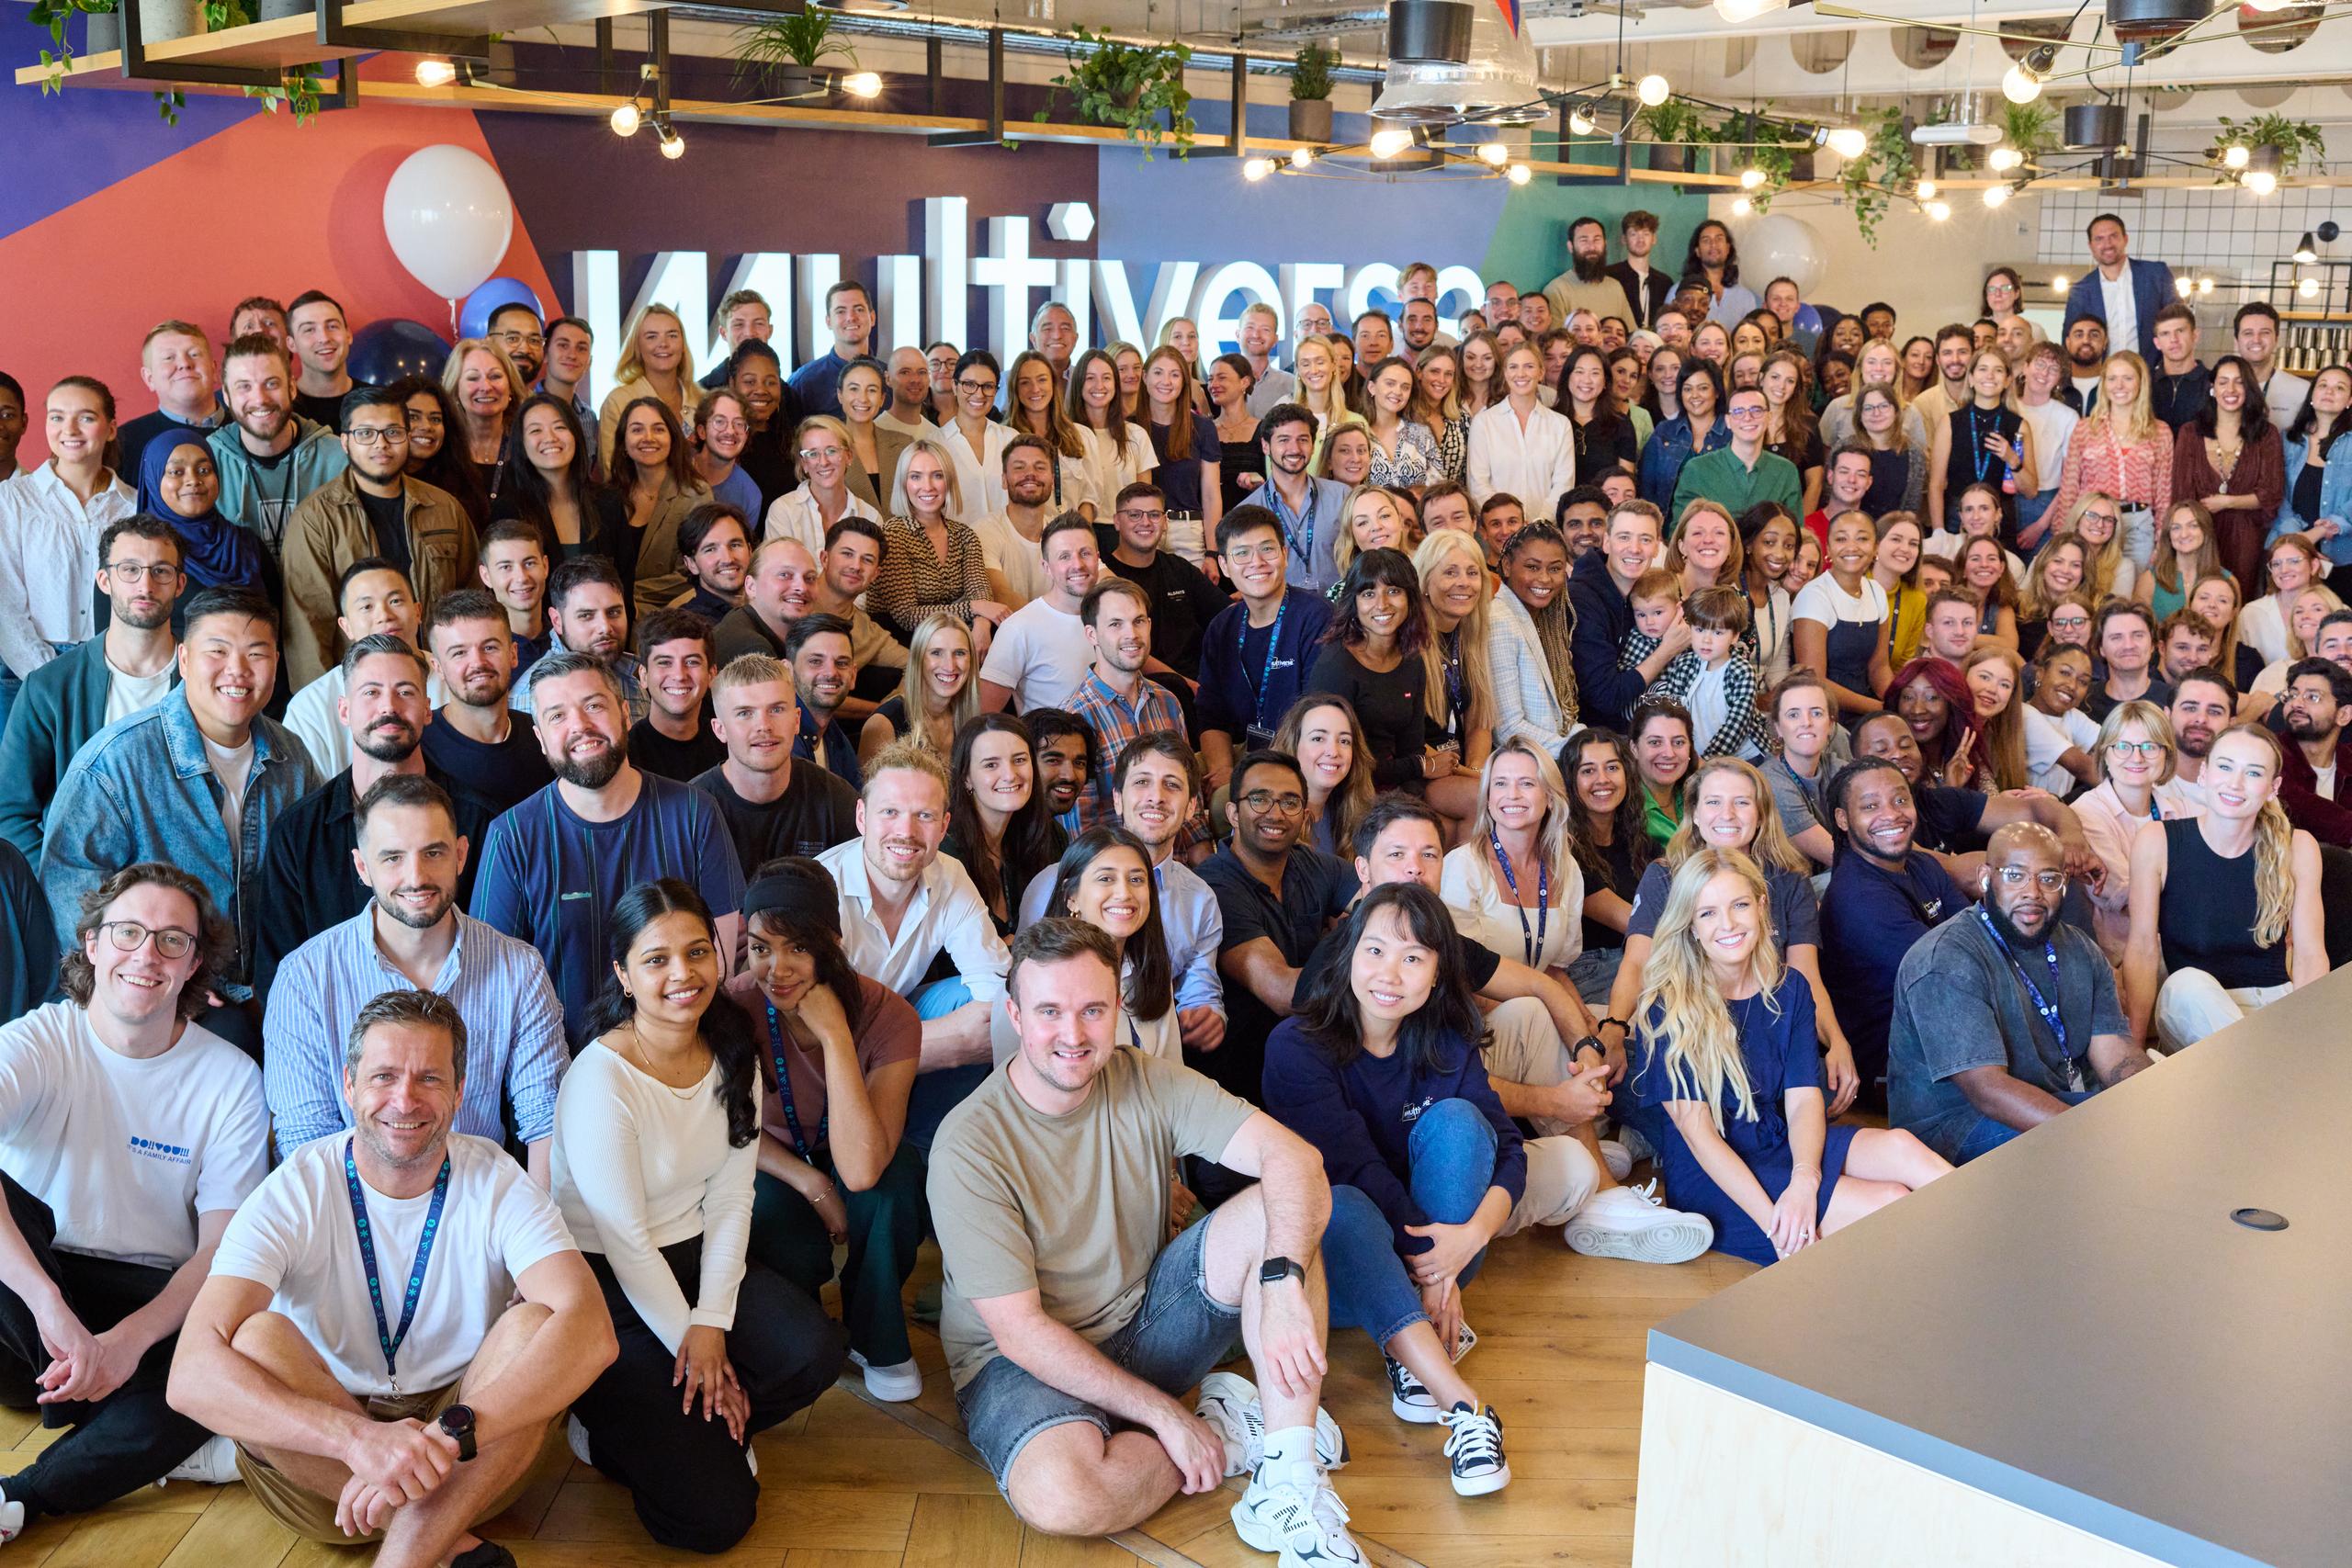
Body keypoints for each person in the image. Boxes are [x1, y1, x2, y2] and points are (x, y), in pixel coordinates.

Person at [168, 988, 616, 1568]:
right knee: (254, 1340)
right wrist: (359, 1442)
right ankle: (442, 1539)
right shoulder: (295, 1186)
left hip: (470, 1452)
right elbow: (189, 1375)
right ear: (349, 1085)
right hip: (328, 1471)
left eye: (429, 1078)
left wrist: (451, 1434)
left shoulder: (496, 1179)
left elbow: (592, 1332)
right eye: (383, 1076)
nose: (404, 1099)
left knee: (536, 1325)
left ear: (458, 1093)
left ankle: (404, 1554)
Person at [552, 880, 843, 1551]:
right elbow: (625, 1242)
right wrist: (697, 1342)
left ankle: (707, 1426)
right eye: (656, 959)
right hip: (610, 1288)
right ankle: (604, 1433)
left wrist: (710, 1323)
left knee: (813, 1351)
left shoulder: (730, 1048)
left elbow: (732, 1198)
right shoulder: (602, 1076)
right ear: (623, 974)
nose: (682, 974)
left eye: (697, 952)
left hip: (694, 1255)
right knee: (714, 1522)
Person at [0, 864, 264, 1538]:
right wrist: (47, 1305)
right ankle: (125, 1426)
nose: (146, 954)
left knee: (232, 1363)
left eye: (172, 940)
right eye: (128, 932)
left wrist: (127, 1341)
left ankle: (24, 1493)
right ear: (91, 943)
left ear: (195, 963)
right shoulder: (39, 1038)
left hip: (146, 1303)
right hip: (25, 1305)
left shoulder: (230, 1078)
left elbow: (220, 1250)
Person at [1629, 849, 1949, 1266]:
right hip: (1715, 1176)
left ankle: (2001, 1243)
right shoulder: (1667, 1006)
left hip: (1777, 1138)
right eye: (1707, 913)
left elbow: (1802, 1100)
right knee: (1888, 1201)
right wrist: (1777, 1225)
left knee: (1903, 1147)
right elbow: (1700, 1138)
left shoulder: (1789, 988)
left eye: (1739, 905)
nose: (1727, 924)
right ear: (1690, 926)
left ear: (1762, 906)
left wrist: (1804, 1180)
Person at [265, 769, 565, 1180]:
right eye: (393, 858)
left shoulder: (519, 968)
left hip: (478, 1208)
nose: (416, 877)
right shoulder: (305, 977)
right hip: (350, 1212)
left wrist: (535, 1236)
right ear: (362, 866)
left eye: (433, 853)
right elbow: (307, 1144)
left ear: (461, 855)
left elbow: (545, 1121)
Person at [40, 588, 317, 995]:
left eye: (256, 654)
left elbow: (307, 876)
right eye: (217, 652)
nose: (237, 670)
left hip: (268, 988)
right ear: (184, 660)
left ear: (277, 663)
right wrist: (163, 976)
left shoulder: (291, 757)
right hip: (155, 989)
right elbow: (71, 891)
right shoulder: (116, 761)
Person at [469, 652, 744, 1047]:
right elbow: (496, 985)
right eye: (557, 716)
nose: (580, 726)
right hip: (560, 1070)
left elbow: (719, 967)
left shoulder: (694, 813)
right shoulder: (512, 837)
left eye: (594, 706)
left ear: (625, 714)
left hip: (684, 1055)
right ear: (541, 739)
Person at [251, 635, 499, 996]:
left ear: (428, 709)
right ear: (344, 710)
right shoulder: (296, 834)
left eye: (405, 692)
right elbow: (277, 978)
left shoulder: (480, 821)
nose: (389, 707)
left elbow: (496, 961)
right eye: (371, 693)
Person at [1888, 823, 2146, 1164]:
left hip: (2052, 1101)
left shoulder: (2080, 949)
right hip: (1953, 1127)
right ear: (1985, 879)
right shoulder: (1946, 958)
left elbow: (2114, 1055)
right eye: (2015, 876)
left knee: (2149, 1119)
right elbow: (1986, 1090)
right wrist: (2085, 1133)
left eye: (2049, 878)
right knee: (2112, 1145)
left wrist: (2153, 1104)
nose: (2033, 892)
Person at [1015, 731, 1229, 1056]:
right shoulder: (1051, 883)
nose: (1156, 797)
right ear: (1117, 799)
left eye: (1172, 785)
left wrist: (1206, 1014)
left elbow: (1200, 990)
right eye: (1142, 782)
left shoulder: (1200, 899)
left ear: (1192, 807)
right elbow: (1024, 986)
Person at [2123, 724, 2327, 1051]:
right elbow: (2142, 949)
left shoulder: (2298, 846)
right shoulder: (2157, 840)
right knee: (2186, 984)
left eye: (2253, 773)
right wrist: (2131, 1051)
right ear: (2204, 774)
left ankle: (2267, 1070)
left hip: (2274, 1007)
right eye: (2225, 766)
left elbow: (2309, 954)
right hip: (2190, 1011)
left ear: (2273, 787)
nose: (2235, 783)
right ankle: (2273, 1073)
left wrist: (2310, 1036)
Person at [0, 518, 182, 862]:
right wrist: (65, 884)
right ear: (104, 580)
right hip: (83, 894)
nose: (145, 585)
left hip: (186, 888)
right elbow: (9, 812)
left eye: (161, 571)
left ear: (180, 584)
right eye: (129, 570)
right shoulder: (49, 687)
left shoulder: (206, 680)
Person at [278, 386, 479, 691]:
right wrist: (331, 706)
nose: (381, 444)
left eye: (392, 432)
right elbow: (307, 627)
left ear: (408, 437)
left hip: (440, 684)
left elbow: (472, 600)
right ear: (344, 442)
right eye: (365, 434)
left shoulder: (444, 508)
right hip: (360, 691)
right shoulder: (315, 520)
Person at [1199, 749, 1361, 1104]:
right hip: (1244, 1077)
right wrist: (1356, 934)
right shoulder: (1214, 885)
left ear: (1305, 817)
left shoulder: (1312, 864)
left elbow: (1389, 909)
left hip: (1319, 1054)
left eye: (1289, 802)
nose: (1275, 813)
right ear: (1233, 813)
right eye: (1259, 799)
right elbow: (1285, 994)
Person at [1815, 757, 1969, 1108]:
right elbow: (1953, 973)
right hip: (1898, 1076)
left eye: (1900, 800)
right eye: (1870, 806)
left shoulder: (1922, 864)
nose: (1891, 814)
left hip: (1948, 1041)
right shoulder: (1858, 898)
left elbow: (1979, 938)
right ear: (1842, 820)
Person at [0, 378, 137, 696]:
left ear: (111, 428)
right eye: (57, 417)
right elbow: (5, 605)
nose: (70, 429)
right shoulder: (12, 499)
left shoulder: (134, 506)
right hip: (24, 673)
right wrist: (48, 675)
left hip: (112, 667)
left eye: (86, 418)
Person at [693, 651, 862, 873]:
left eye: (776, 709)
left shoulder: (836, 799)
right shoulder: (692, 809)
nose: (764, 725)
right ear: (720, 729)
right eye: (745, 713)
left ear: (797, 720)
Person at [419, 588, 553, 814]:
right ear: (438, 667)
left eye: (489, 647)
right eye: (459, 653)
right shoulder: (420, 751)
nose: (477, 663)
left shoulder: (543, 735)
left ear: (513, 654)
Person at [2047, 351, 2173, 573]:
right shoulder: (2086, 428)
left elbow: (2163, 494)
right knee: (2086, 590)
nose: (2119, 385)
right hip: (2092, 524)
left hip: (2138, 526)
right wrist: (2061, 534)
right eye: (2112, 379)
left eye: (2128, 378)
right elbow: (2069, 487)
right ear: (2103, 384)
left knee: (2129, 598)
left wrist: (2161, 540)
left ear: (2141, 382)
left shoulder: (2160, 431)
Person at [941, 714, 1068, 935]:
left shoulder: (1050, 836)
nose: (1010, 775)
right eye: (991, 765)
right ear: (966, 778)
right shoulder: (945, 847)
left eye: (1019, 760)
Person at [874, 440, 1007, 646]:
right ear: (903, 483)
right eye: (916, 477)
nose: (927, 486)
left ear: (949, 482)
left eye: (937, 476)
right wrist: (975, 608)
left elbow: (980, 589)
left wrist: (982, 624)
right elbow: (907, 616)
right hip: (903, 640)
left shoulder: (964, 535)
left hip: (952, 635)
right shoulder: (893, 534)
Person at [2172, 355, 2284, 591]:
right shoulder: (2190, 433)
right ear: (2212, 388)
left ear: (2249, 388)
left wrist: (2226, 502)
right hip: (2198, 536)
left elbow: (2271, 494)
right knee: (2197, 599)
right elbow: (2181, 495)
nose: (2230, 389)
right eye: (2223, 382)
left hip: (2246, 538)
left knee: (2238, 600)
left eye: (2239, 382)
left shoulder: (2266, 434)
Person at [979, 513, 1102, 713]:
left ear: (1097, 559)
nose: (1077, 564)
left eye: (1085, 553)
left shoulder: (1112, 618)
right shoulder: (1019, 628)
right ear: (1046, 567)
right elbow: (983, 717)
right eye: (1064, 556)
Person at [131, 434, 267, 604]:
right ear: (153, 478)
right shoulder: (132, 552)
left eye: (204, 470)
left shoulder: (247, 544)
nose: (193, 481)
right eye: (176, 472)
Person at [610, 396, 709, 620]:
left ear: (673, 439)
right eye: (637, 430)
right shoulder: (609, 495)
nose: (648, 438)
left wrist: (627, 595)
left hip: (673, 612)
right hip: (614, 612)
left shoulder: (695, 495)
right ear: (623, 443)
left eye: (658, 429)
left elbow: (690, 572)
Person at [1641, 586, 1769, 760]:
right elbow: (1672, 710)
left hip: (1745, 757)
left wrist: (1708, 760)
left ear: (1734, 637)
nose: (1706, 640)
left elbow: (1736, 726)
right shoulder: (1685, 664)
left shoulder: (1741, 672)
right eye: (1700, 630)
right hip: (1697, 756)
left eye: (1717, 632)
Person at [494, 394, 621, 567]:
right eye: (536, 430)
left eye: (560, 427)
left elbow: (624, 580)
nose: (550, 438)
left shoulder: (609, 503)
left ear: (576, 436)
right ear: (522, 445)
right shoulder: (508, 511)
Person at [1791, 510, 1892, 717]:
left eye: (1862, 538)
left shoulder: (1877, 591)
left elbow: (1879, 667)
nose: (1852, 546)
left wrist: (1897, 701)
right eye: (1841, 539)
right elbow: (1813, 680)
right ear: (1828, 548)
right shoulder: (1814, 595)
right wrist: (1880, 709)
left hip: (1868, 704)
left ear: (1875, 548)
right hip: (1821, 711)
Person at [1240, 403, 1350, 595]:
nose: (1294, 448)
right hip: (1280, 616)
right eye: (1284, 440)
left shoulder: (1342, 497)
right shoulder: (1247, 511)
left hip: (1338, 615)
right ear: (1266, 446)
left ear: (1313, 446)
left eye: (1303, 439)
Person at [1669, 386, 1801, 524]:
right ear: (1728, 421)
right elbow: (1680, 530)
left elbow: (1794, 533)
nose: (1748, 418)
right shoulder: (1697, 470)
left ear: (1769, 417)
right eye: (1738, 412)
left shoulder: (1786, 471)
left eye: (1756, 410)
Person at [861, 611, 977, 766]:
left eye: (960, 653)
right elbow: (868, 790)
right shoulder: (884, 724)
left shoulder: (967, 718)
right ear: (918, 659)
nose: (950, 665)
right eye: (936, 653)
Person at [2061, 214, 2176, 363]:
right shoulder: (2080, 290)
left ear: (2125, 239)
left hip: (2153, 374)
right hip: (2104, 378)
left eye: (2113, 236)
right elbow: (2069, 341)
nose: (2107, 244)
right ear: (2091, 246)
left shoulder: (2156, 274)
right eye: (2099, 239)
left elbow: (2178, 319)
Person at [625, 607, 722, 782]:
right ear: (644, 676)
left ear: (711, 675)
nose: (679, 675)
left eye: (692, 662)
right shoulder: (625, 755)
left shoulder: (728, 743)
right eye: (664, 663)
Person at [597, 302, 702, 465]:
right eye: (652, 336)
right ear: (637, 347)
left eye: (672, 335)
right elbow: (613, 473)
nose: (663, 344)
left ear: (683, 345)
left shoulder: (703, 400)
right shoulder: (618, 402)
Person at [1637, 360, 1729, 513]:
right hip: (1669, 529)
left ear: (1717, 392)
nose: (1694, 395)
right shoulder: (1664, 432)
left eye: (1703, 388)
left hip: (1719, 527)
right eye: (1687, 389)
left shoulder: (1732, 433)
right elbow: (1647, 489)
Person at [714, 536, 811, 666]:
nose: (802, 587)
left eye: (810, 578)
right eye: (784, 575)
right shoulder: (752, 649)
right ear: (751, 586)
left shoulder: (743, 620)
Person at [788, 279, 877, 420]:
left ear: (872, 318)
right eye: (841, 311)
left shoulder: (891, 380)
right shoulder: (803, 383)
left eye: (859, 309)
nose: (851, 317)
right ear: (828, 321)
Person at [2084, 600, 2170, 723]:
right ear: (2101, 648)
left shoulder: (2172, 701)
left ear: (2152, 644)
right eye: (2116, 637)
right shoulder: (2085, 702)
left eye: (2138, 635)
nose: (2128, 645)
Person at [2235, 301, 2311, 433]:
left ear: (2276, 339)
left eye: (2265, 333)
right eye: (2248, 333)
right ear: (2237, 340)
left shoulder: (2303, 390)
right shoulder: (2220, 388)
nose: (2256, 340)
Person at [285, 292, 355, 432]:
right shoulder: (282, 410)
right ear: (292, 344)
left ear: (348, 335)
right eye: (309, 330)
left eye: (332, 326)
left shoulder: (379, 402)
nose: (324, 338)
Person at [674, 501, 751, 624]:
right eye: (710, 549)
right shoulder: (688, 627)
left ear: (750, 550)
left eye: (735, 545)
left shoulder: (769, 608)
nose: (728, 559)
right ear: (691, 564)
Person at [1606, 211, 1673, 332]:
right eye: (1633, 234)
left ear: (1654, 239)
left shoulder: (1665, 282)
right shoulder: (1610, 276)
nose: (1640, 239)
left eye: (1646, 234)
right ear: (1624, 239)